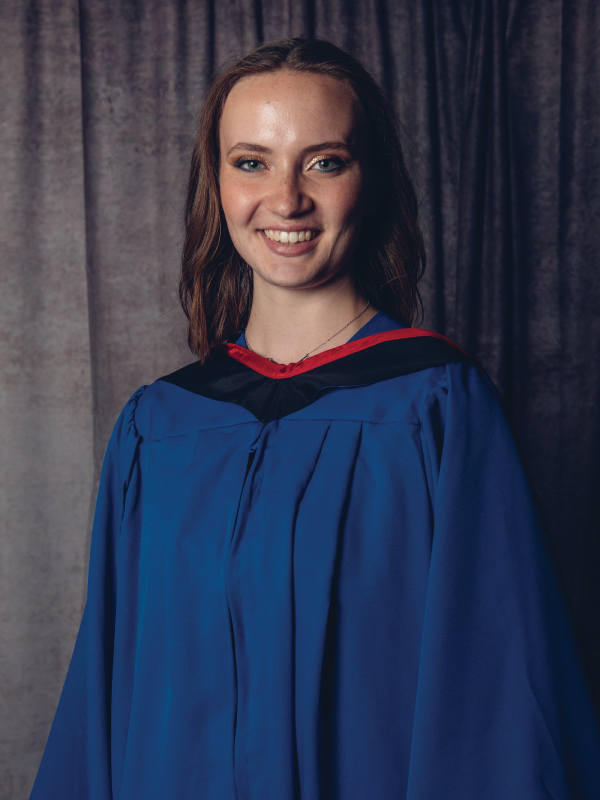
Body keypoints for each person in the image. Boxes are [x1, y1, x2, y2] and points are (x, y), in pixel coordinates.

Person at [30, 38, 600, 800]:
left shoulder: (433, 408)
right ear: (217, 184)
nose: (287, 198)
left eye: (325, 161)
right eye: (251, 162)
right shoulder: (158, 429)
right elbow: (103, 702)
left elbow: (494, 701)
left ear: (372, 181)